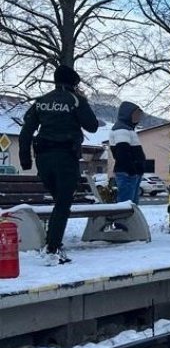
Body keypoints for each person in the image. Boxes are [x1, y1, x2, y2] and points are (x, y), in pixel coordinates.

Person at [18, 65, 99, 265]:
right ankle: (52, 248)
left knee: (59, 202)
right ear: (74, 83)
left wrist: (25, 160)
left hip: (43, 158)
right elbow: (93, 126)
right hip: (65, 157)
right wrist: (82, 103)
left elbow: (26, 131)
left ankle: (54, 242)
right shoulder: (75, 100)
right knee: (63, 203)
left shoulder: (41, 102)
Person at [109, 102, 146, 204]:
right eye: (136, 114)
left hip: (131, 173)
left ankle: (124, 220)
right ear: (127, 114)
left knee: (131, 206)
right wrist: (132, 170)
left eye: (139, 115)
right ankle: (121, 220)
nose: (138, 117)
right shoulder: (121, 129)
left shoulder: (128, 129)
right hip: (127, 174)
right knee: (126, 207)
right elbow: (122, 152)